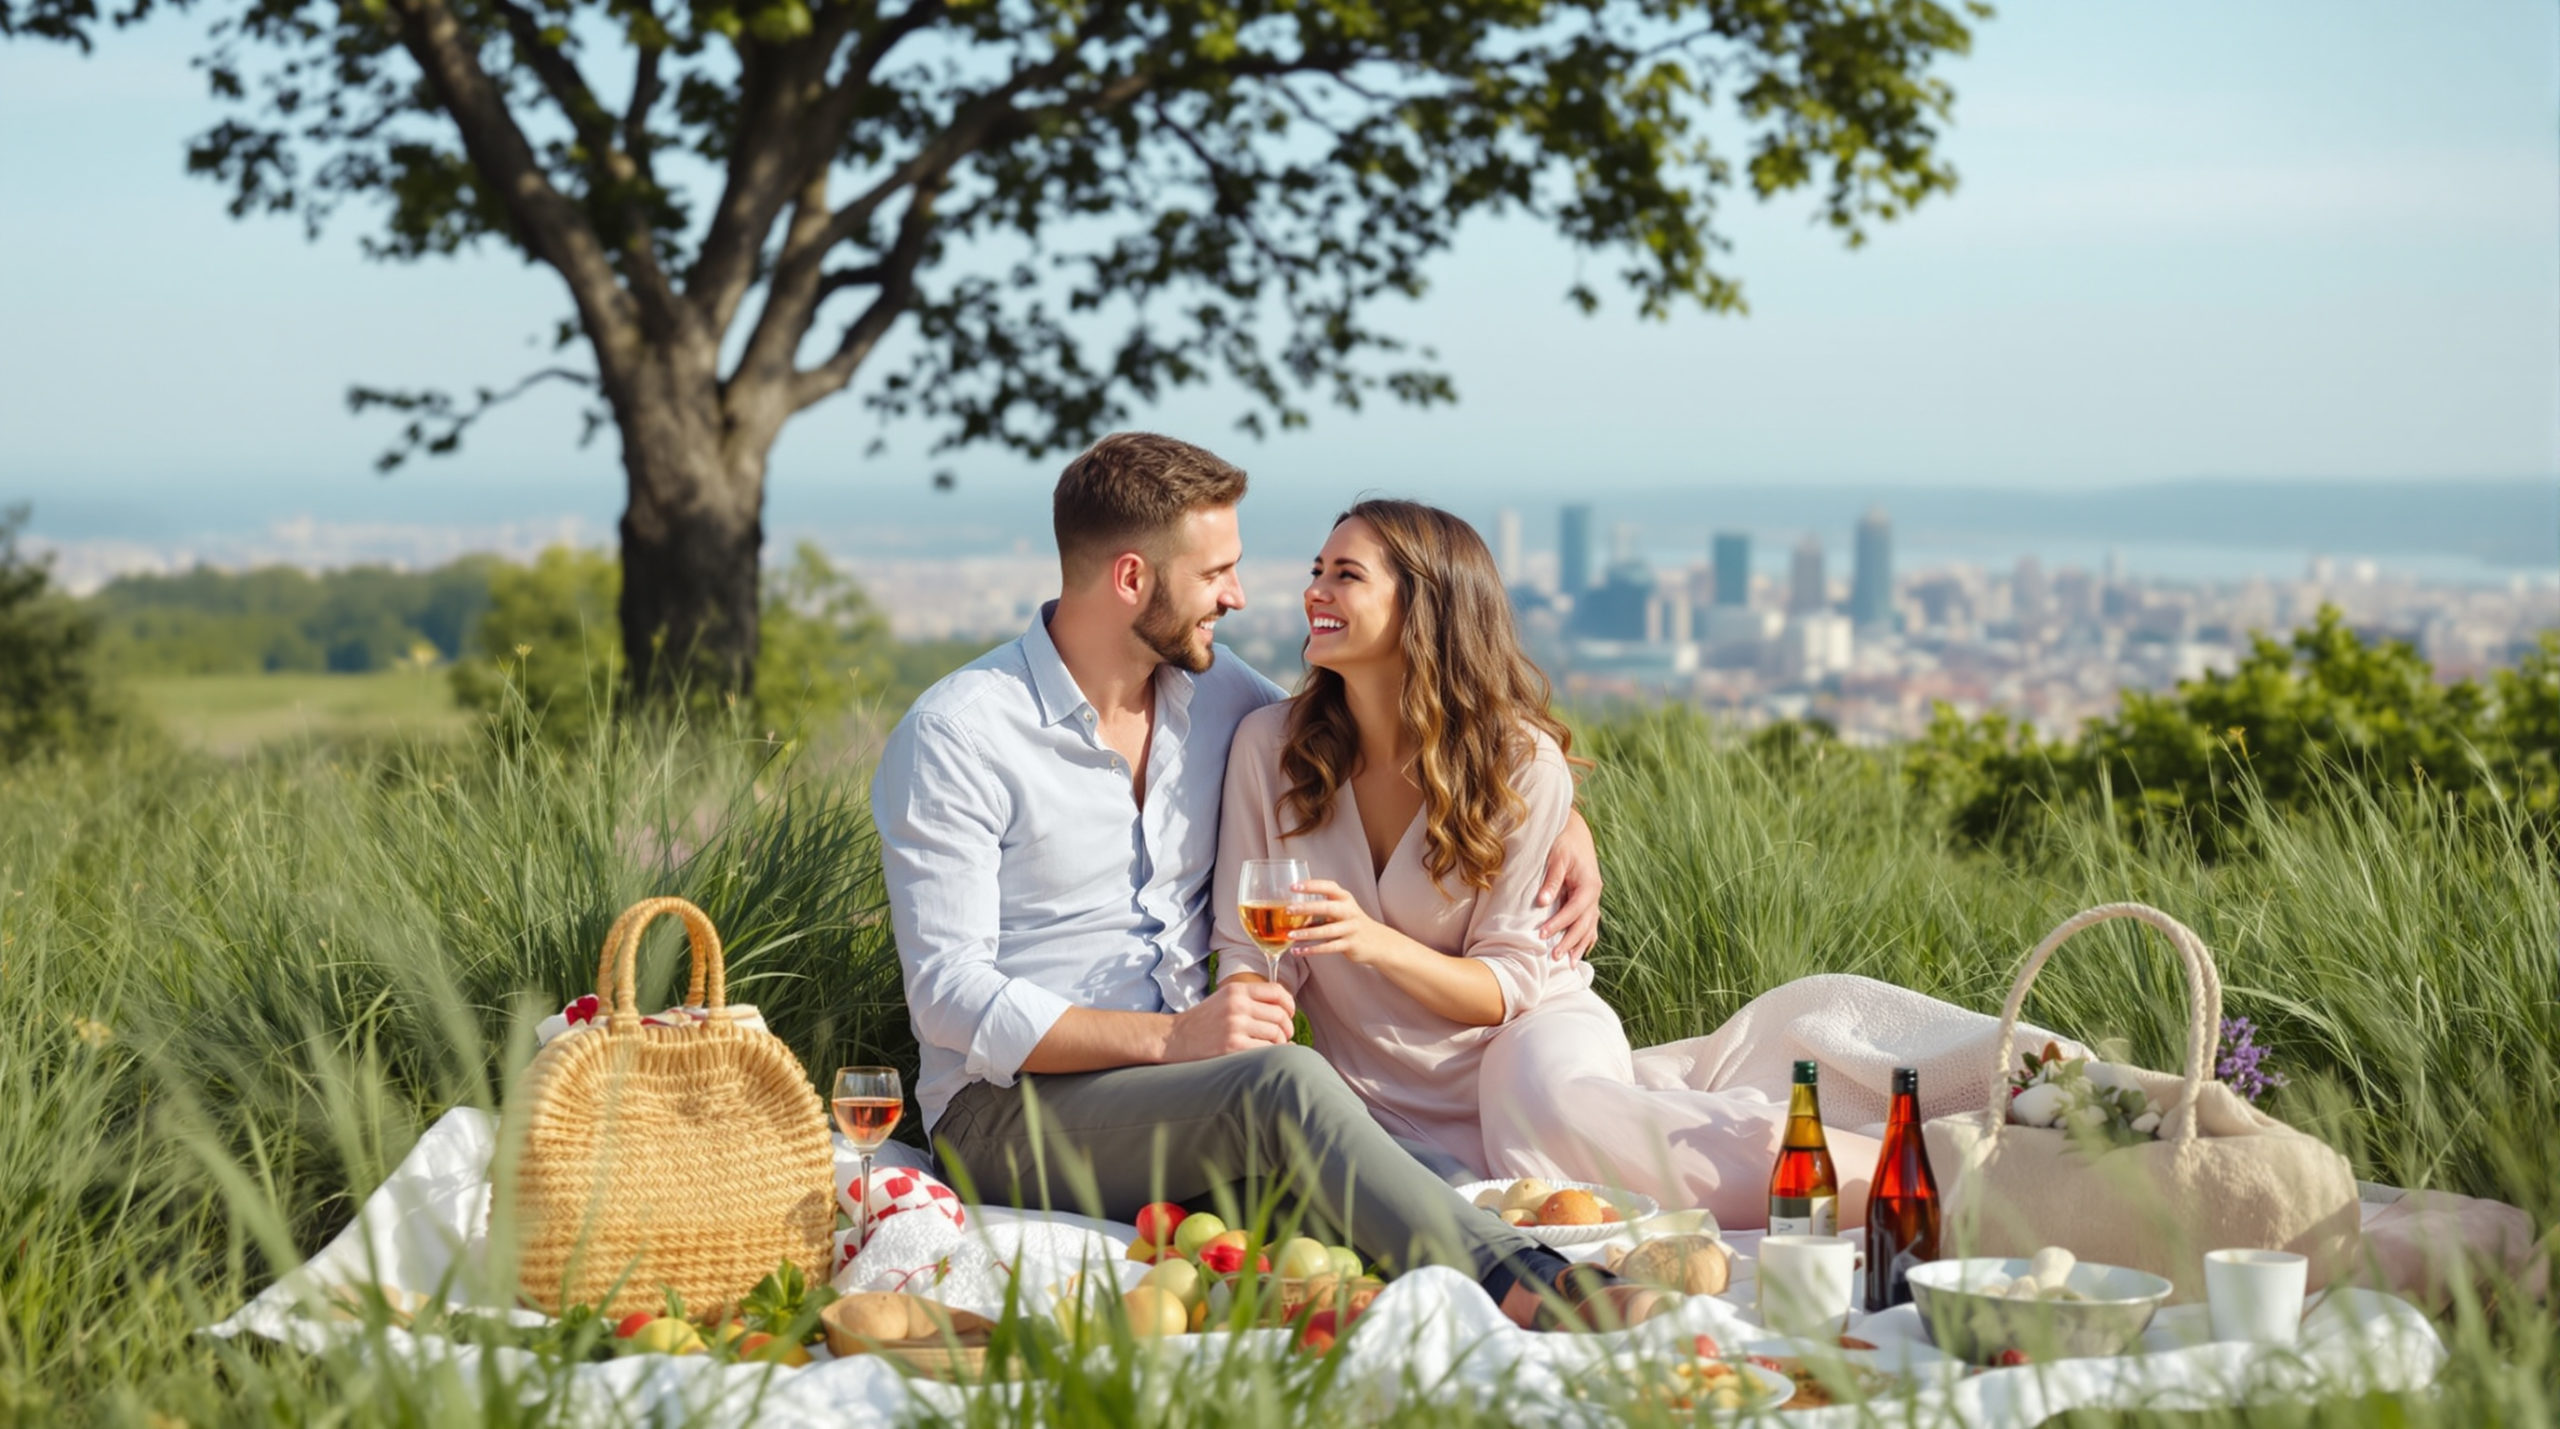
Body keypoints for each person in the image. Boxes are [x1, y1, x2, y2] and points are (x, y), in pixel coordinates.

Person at [870, 434, 1640, 1329]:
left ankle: (1497, 1304)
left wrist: (1562, 817)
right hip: (1007, 1112)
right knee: (1290, 1089)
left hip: (1187, 1094)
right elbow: (949, 999)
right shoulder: (960, 735)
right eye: (1216, 574)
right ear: (1131, 579)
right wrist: (1170, 1039)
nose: (1239, 596)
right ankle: (1542, 1289)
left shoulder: (1218, 697)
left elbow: (1387, 721)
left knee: (1409, 1184)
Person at [1213, 500, 2046, 1230]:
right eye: (1317, 569)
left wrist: (1369, 942)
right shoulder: (1271, 749)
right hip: (1380, 1093)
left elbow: (1506, 987)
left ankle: (1895, 1177)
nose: (1313, 590)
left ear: (1423, 607)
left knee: (1545, 1109)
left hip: (1526, 1038)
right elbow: (1250, 956)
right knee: (1483, 1193)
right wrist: (1257, 1018)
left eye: (1344, 575)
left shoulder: (1519, 766)